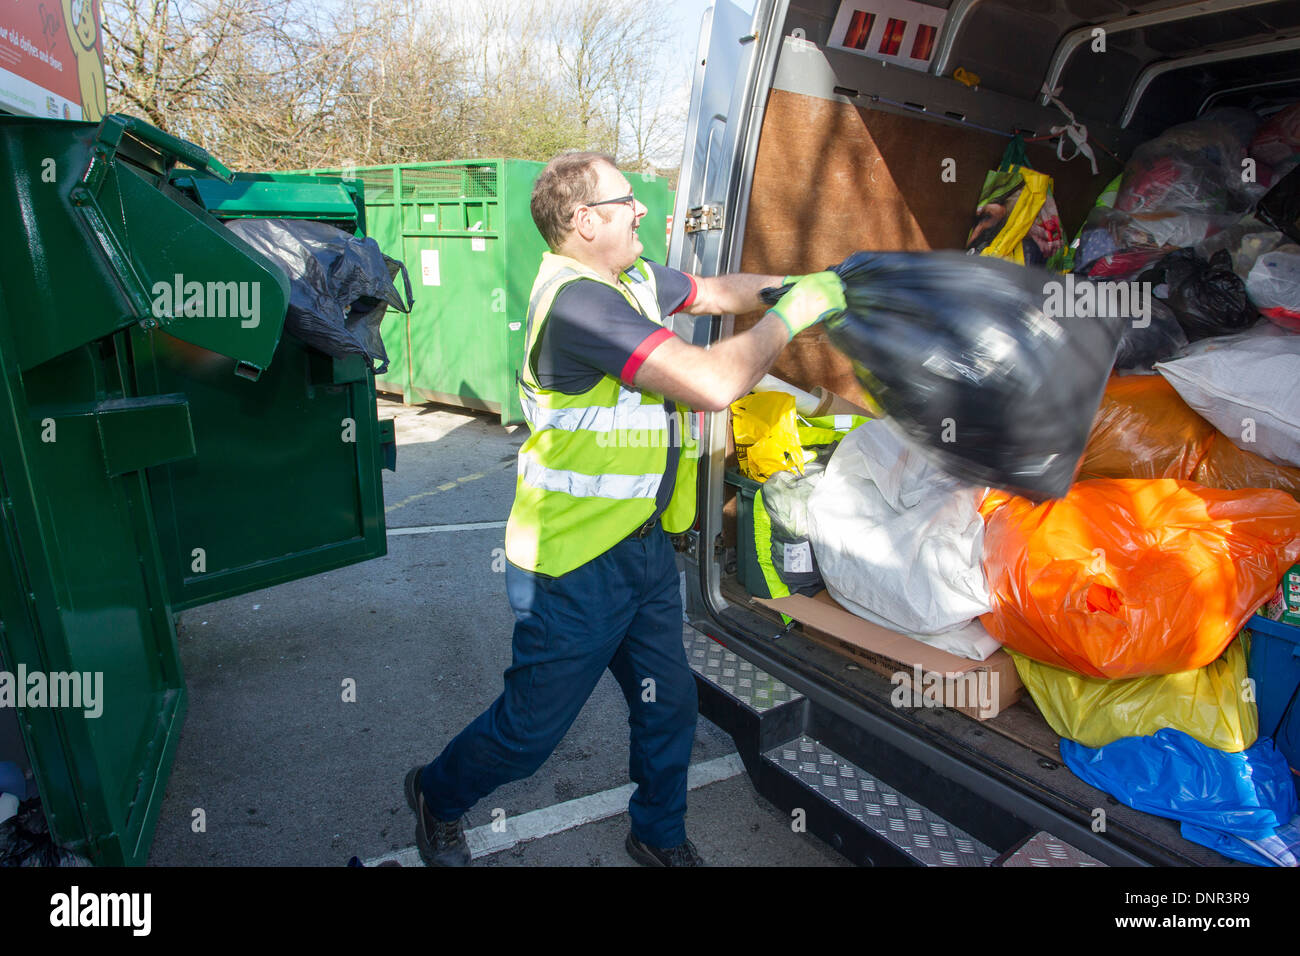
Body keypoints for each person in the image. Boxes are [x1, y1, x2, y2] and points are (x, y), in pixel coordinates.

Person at [405, 151, 845, 867]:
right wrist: (792, 318)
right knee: (529, 734)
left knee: (668, 705)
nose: (642, 208)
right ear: (583, 221)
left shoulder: (631, 278)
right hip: (573, 564)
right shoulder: (579, 305)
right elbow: (709, 383)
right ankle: (436, 793)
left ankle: (657, 834)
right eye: (626, 199)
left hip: (641, 550)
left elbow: (711, 290)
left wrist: (790, 286)